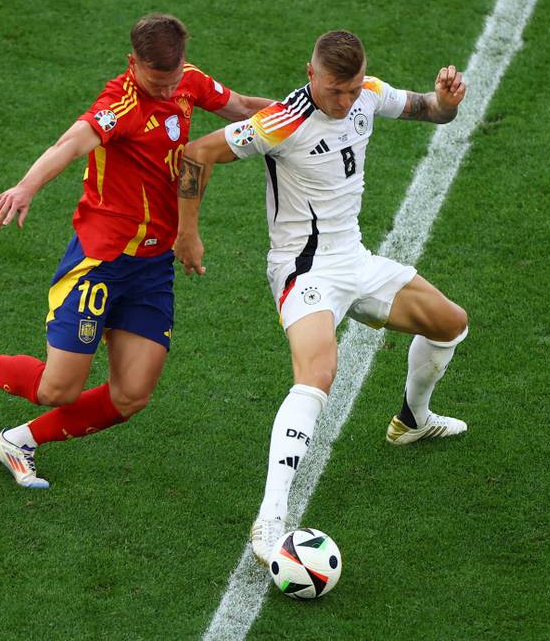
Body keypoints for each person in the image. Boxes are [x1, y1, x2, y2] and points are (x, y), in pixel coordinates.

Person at [0, 14, 273, 489]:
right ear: (132, 62)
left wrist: (305, 113)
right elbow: (70, 144)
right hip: (101, 263)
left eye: (173, 79)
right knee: (57, 388)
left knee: (131, 395)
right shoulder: (120, 104)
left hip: (151, 268)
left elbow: (242, 107)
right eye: (157, 79)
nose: (168, 89)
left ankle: (19, 441)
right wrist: (27, 186)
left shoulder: (187, 82)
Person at [173, 30, 469, 563]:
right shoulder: (281, 122)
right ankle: (270, 520)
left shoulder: (368, 92)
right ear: (312, 75)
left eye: (354, 89)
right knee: (318, 375)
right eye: (338, 90)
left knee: (450, 323)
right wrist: (187, 232)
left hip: (354, 259)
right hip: (303, 270)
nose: (348, 101)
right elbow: (197, 154)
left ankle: (412, 421)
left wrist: (446, 102)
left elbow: (429, 110)